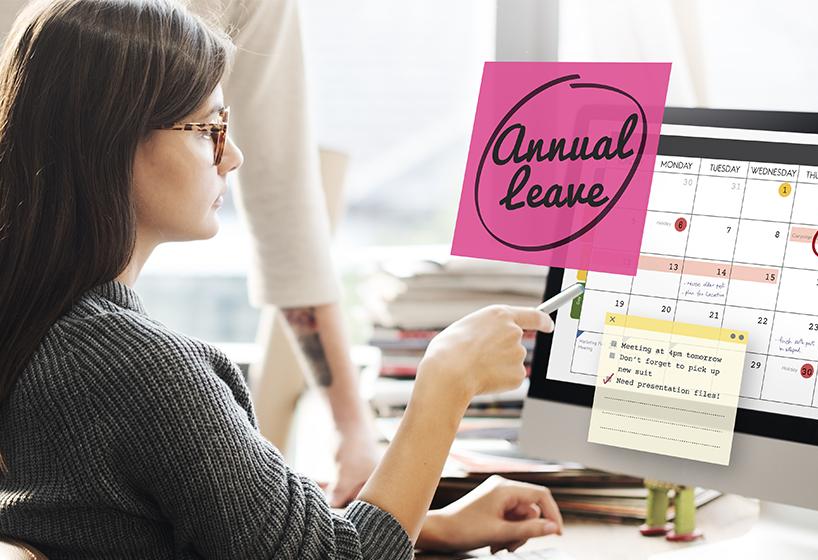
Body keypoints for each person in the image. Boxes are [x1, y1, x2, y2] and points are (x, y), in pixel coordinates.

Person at [0, 0, 563, 558]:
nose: (234, 157)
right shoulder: (145, 373)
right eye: (209, 130)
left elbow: (165, 523)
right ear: (112, 139)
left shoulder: (44, 332)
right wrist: (447, 380)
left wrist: (426, 525)